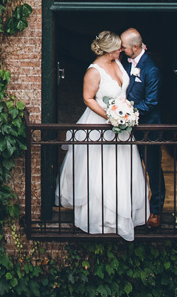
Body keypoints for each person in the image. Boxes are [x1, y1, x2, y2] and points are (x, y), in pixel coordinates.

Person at [55, 31, 149, 240]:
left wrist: (123, 113)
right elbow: (88, 98)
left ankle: (123, 215)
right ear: (108, 50)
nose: (121, 50)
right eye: (118, 48)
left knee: (121, 169)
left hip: (121, 126)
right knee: (100, 171)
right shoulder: (94, 71)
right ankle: (99, 219)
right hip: (100, 123)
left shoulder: (118, 64)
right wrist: (111, 116)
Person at [121, 28, 163, 228]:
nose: (121, 50)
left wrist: (125, 112)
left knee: (153, 169)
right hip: (130, 128)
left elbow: (151, 102)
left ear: (136, 47)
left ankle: (156, 210)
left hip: (148, 128)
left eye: (124, 47)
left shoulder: (151, 69)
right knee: (132, 167)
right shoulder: (125, 62)